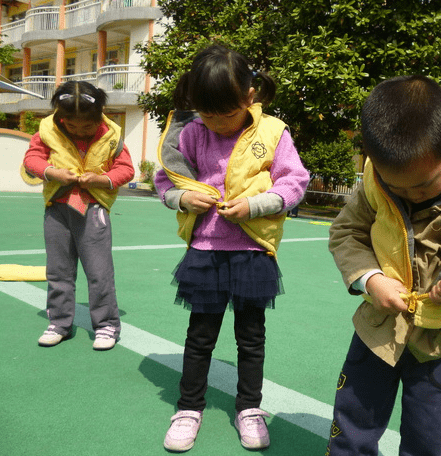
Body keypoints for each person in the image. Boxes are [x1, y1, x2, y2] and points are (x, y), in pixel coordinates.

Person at [326, 75, 441, 456]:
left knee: (429, 438)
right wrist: (371, 280)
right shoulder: (374, 180)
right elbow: (346, 233)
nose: (411, 195)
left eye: (424, 185)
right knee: (352, 426)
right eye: (397, 187)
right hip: (378, 328)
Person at [154, 44, 309, 452]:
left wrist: (255, 205)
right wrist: (183, 199)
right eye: (208, 114)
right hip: (205, 249)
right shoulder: (190, 133)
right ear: (195, 105)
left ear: (250, 96)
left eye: (228, 114)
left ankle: (249, 408)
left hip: (252, 251)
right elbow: (165, 181)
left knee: (251, 337)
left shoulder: (273, 131)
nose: (218, 123)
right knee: (200, 335)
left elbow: (294, 182)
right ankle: (188, 407)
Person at [23, 80, 135, 351]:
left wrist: (102, 179)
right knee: (58, 271)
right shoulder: (47, 130)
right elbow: (32, 159)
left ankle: (107, 325)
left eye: (86, 126)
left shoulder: (111, 135)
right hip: (57, 208)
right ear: (60, 117)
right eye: (71, 125)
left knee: (99, 272)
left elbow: (127, 169)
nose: (79, 131)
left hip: (93, 209)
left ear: (100, 116)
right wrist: (52, 172)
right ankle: (59, 323)